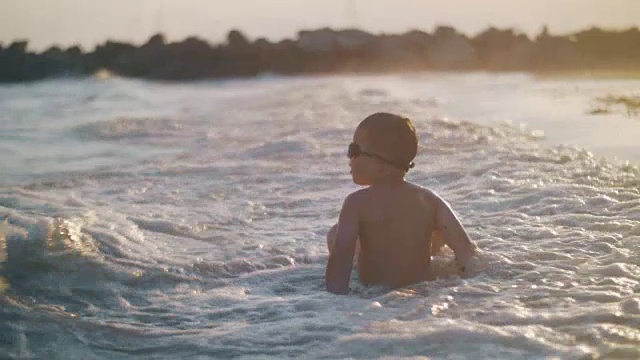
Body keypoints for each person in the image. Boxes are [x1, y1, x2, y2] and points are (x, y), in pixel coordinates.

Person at [325, 112, 478, 295]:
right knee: (438, 233)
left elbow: (341, 259)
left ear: (379, 164)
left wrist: (334, 302)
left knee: (335, 234)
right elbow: (466, 251)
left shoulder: (356, 203)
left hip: (375, 293)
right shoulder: (430, 200)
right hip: (421, 291)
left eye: (354, 151)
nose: (349, 158)